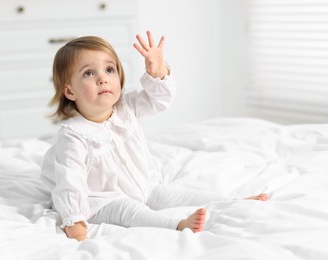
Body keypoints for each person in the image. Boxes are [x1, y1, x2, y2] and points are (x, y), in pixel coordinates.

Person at [41, 31, 268, 241]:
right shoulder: (74, 135)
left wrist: (157, 70)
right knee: (129, 210)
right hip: (100, 200)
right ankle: (177, 225)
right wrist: (74, 220)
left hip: (141, 186)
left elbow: (160, 100)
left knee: (176, 195)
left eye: (109, 70)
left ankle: (229, 203)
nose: (102, 78)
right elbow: (70, 181)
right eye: (89, 73)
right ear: (70, 91)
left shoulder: (126, 106)